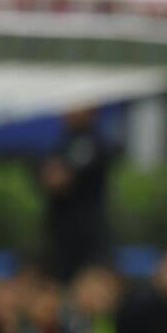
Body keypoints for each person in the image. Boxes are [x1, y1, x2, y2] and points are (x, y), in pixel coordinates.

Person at [34, 108, 114, 282]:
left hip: (86, 239)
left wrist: (55, 175)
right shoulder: (60, 141)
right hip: (58, 236)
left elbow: (61, 179)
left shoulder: (94, 142)